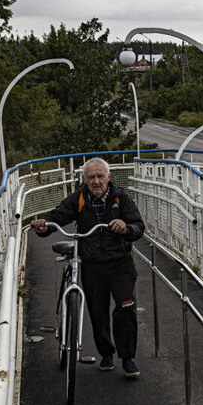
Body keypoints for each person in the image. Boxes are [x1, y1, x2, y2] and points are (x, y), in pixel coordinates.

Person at [31, 157, 146, 378]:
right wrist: (43, 225)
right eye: (91, 177)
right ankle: (106, 354)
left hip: (120, 263)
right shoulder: (79, 199)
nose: (96, 181)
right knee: (97, 311)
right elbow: (58, 216)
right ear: (84, 179)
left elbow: (138, 226)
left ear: (108, 177)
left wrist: (125, 228)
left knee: (125, 308)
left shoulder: (121, 198)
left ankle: (128, 358)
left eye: (100, 176)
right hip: (93, 265)